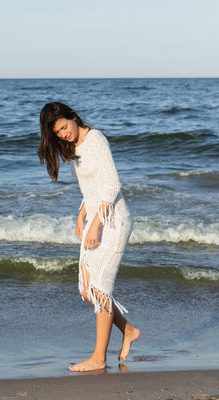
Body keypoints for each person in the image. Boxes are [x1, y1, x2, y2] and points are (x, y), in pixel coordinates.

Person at [37, 102, 141, 372]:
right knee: (88, 290)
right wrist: (81, 214)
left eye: (64, 127)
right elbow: (92, 187)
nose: (63, 135)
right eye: (57, 133)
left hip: (113, 221)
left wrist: (96, 223)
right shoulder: (76, 147)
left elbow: (112, 184)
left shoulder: (95, 139)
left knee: (101, 290)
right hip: (97, 218)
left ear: (73, 117)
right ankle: (128, 330)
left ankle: (99, 358)